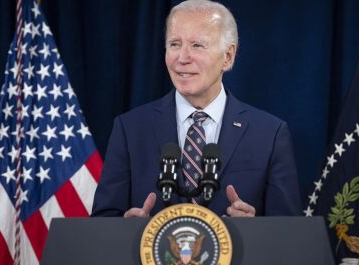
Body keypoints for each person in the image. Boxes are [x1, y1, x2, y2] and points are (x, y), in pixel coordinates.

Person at [91, 0, 302, 218]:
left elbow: (288, 234)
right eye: (174, 44)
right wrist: (128, 231)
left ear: (228, 57)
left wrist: (254, 231)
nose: (182, 58)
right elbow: (102, 222)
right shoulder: (130, 129)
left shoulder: (270, 134)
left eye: (197, 45)